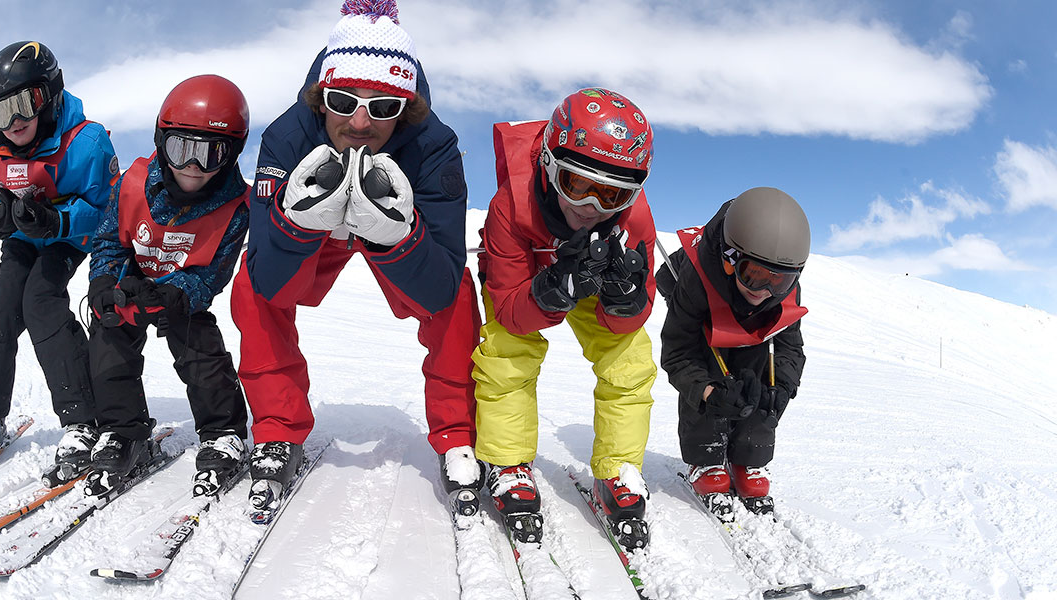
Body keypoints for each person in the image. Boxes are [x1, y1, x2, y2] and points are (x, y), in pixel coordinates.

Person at [232, 0, 482, 515]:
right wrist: (296, 225)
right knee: (252, 287)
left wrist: (399, 237)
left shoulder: (435, 148)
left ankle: (457, 434)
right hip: (318, 234)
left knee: (457, 292)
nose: (361, 122)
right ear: (322, 98)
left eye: (384, 106)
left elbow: (438, 287)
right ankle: (278, 430)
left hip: (390, 227)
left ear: (406, 108)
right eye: (345, 100)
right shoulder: (286, 137)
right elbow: (271, 282)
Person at [473, 88, 658, 550]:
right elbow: (513, 314)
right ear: (550, 164)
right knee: (505, 355)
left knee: (630, 362)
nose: (591, 208)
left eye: (612, 193)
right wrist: (554, 290)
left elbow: (640, 310)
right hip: (529, 285)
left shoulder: (633, 219)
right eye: (578, 184)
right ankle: (509, 462)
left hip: (595, 275)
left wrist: (624, 303)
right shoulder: (510, 207)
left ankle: (619, 469)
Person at [82, 75, 252, 498]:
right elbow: (109, 239)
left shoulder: (235, 206)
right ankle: (124, 432)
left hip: (182, 292)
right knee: (107, 335)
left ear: (231, 154)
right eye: (181, 149)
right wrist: (105, 280)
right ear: (162, 141)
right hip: (134, 280)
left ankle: (223, 431)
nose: (193, 165)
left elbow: (214, 272)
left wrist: (178, 294)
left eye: (210, 154)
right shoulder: (133, 182)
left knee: (199, 347)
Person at [0, 41, 117, 485]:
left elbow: (107, 209)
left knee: (42, 302)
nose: (15, 122)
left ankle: (83, 419)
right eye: (0, 113)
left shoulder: (87, 143)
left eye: (24, 104)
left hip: (67, 237)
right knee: (3, 309)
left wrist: (58, 219)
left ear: (49, 93)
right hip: (23, 238)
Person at [656, 186, 810, 518]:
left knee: (760, 383)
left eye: (779, 282)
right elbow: (677, 352)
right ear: (730, 261)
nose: (765, 291)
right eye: (753, 275)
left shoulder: (785, 288)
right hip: (706, 325)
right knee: (709, 367)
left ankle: (748, 458)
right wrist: (709, 394)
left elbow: (788, 346)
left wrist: (781, 387)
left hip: (751, 335)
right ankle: (706, 456)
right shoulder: (696, 279)